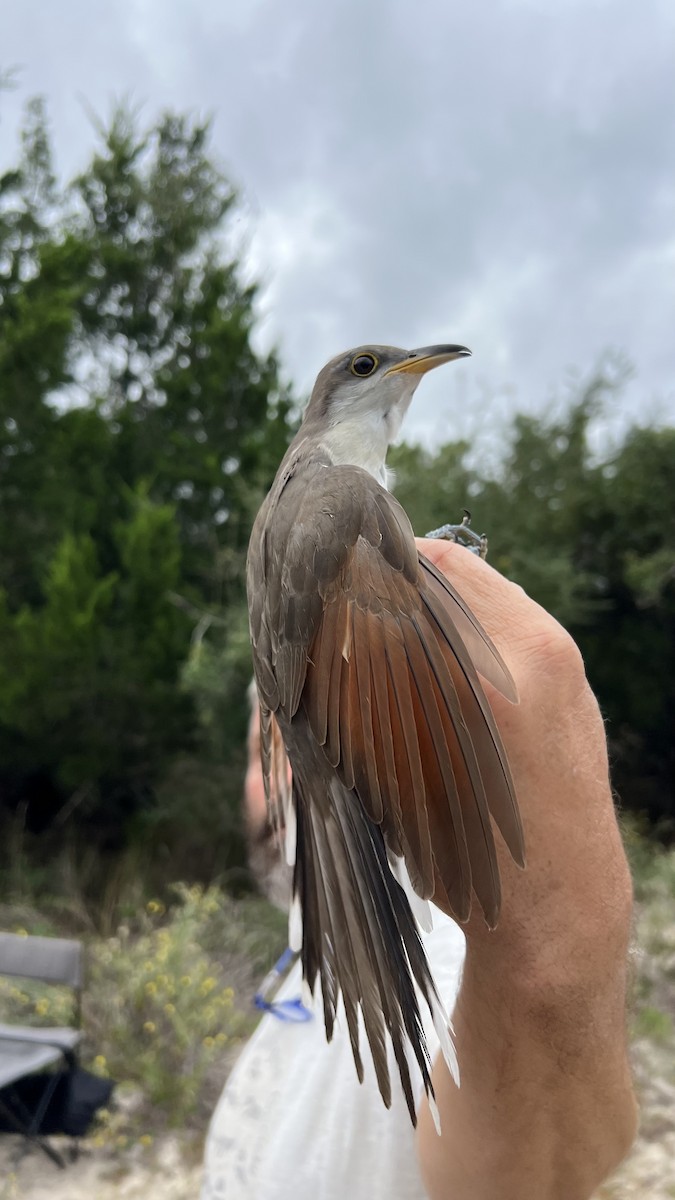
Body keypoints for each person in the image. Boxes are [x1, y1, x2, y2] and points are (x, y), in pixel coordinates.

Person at [201, 539, 637, 1200]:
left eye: (328, 733)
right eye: (274, 738)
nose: (298, 776)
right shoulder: (312, 944)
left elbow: (528, 1175)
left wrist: (549, 947)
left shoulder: (437, 944)